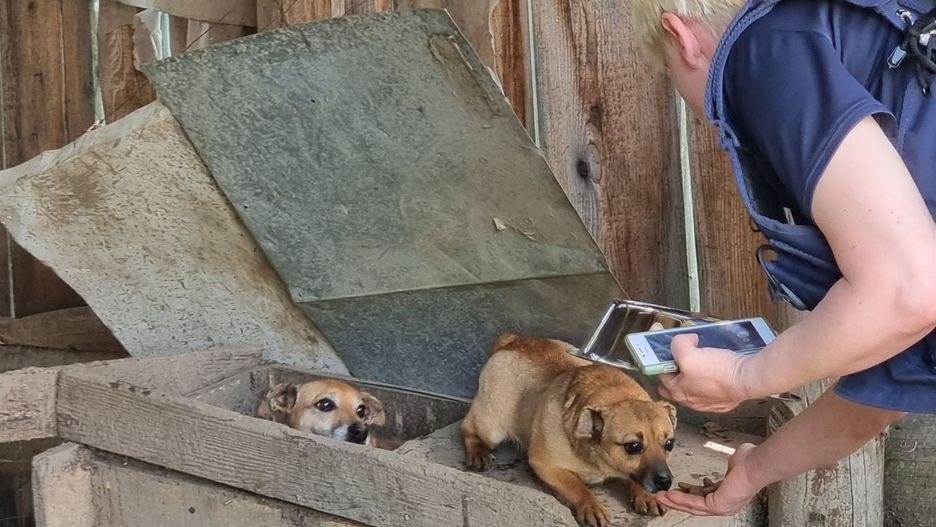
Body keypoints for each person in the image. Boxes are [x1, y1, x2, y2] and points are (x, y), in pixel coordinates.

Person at [632, 0, 936, 517]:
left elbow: (908, 293)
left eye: (668, 72)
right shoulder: (859, 38)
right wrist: (756, 469)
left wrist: (744, 375)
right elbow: (898, 363)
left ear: (681, 37)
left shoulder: (764, 44)